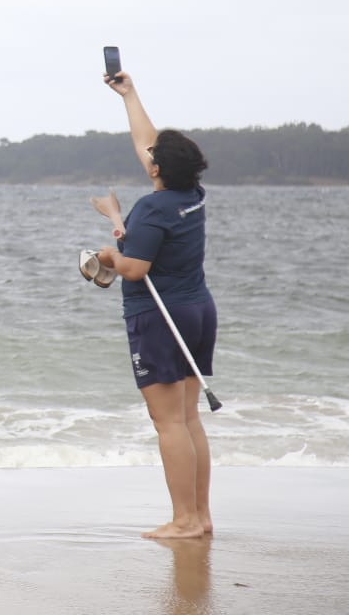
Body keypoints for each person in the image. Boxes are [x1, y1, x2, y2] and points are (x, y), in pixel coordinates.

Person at [92, 71, 216, 540]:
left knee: (167, 422)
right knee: (187, 419)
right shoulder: (192, 196)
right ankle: (200, 517)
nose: (148, 159)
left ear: (157, 170)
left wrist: (112, 229)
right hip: (198, 310)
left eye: (152, 160)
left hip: (161, 317)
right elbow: (149, 145)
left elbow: (133, 268)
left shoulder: (152, 207)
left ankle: (184, 520)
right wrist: (129, 94)